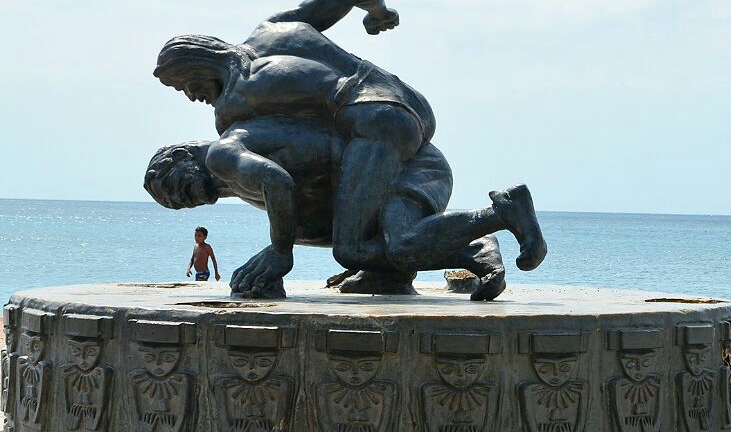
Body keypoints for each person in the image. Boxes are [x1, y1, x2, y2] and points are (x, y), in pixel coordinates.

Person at [150, 0, 547, 283]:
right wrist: (379, 13)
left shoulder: (233, 110)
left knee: (351, 247)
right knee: (382, 240)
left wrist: (279, 251)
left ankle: (501, 213)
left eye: (184, 85)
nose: (190, 96)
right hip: (411, 108)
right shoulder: (272, 31)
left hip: (372, 122)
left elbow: (273, 175)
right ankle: (443, 257)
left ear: (195, 63)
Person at [144, 116, 535, 301]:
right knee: (359, 251)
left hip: (407, 167)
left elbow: (278, 183)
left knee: (392, 246)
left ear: (182, 156)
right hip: (397, 168)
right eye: (182, 204)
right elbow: (310, 212)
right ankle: (474, 251)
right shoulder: (231, 168)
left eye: (181, 191)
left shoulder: (222, 155)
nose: (191, 201)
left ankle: (501, 214)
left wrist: (280, 253)